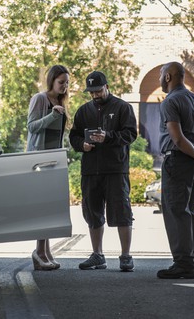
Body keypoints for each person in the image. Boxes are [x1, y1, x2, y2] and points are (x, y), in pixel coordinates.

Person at [68, 71, 137, 272]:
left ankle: (126, 256)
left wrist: (108, 136)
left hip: (116, 169)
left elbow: (131, 134)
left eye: (98, 90)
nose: (95, 95)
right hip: (90, 171)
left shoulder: (123, 107)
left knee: (122, 212)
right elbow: (74, 137)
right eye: (91, 92)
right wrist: (83, 144)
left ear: (107, 87)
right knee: (92, 212)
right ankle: (97, 255)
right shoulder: (83, 111)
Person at [157, 61, 194, 279]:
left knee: (177, 212)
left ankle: (183, 264)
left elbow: (178, 138)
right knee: (191, 213)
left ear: (169, 77)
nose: (160, 79)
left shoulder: (170, 101)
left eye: (161, 75)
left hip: (179, 162)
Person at [26, 65, 70, 270]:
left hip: (54, 160)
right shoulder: (40, 99)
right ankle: (39, 252)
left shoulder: (61, 101)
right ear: (51, 81)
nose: (65, 86)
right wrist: (53, 114)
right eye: (61, 82)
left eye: (67, 82)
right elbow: (32, 126)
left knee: (50, 208)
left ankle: (46, 251)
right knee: (42, 208)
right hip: (38, 161)